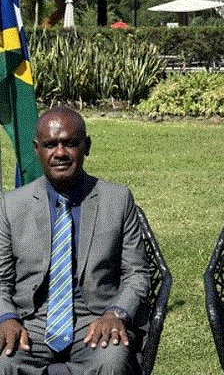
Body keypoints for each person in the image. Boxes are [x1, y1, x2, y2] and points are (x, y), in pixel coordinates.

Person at [0, 107, 150, 374]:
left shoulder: (117, 200)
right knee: (5, 361)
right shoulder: (11, 206)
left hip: (95, 318)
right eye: (50, 145)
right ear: (37, 149)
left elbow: (137, 273)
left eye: (70, 143)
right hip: (31, 320)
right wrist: (7, 317)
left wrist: (115, 313)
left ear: (87, 146)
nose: (60, 153)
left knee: (112, 360)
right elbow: (0, 278)